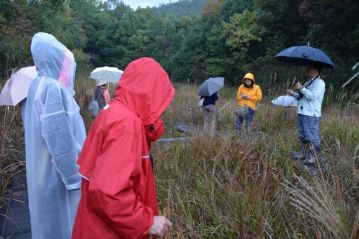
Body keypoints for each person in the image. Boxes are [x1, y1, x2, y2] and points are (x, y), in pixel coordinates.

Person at [72, 57, 175, 239]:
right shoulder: (127, 124)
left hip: (97, 226)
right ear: (150, 92)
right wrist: (147, 222)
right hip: (109, 232)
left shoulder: (115, 112)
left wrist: (150, 124)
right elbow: (107, 194)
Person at [24, 32, 86, 238]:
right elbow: (59, 139)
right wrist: (74, 179)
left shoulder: (37, 84)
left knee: (47, 222)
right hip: (58, 176)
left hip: (45, 172)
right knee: (64, 223)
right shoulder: (51, 88)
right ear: (54, 58)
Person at [288, 64, 325, 165]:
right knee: (302, 134)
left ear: (316, 70)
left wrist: (301, 88)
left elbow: (312, 96)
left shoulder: (320, 83)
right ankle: (303, 153)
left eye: (309, 68)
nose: (307, 70)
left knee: (311, 136)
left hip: (311, 113)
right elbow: (302, 97)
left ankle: (313, 157)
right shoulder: (308, 82)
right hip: (302, 112)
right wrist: (293, 93)